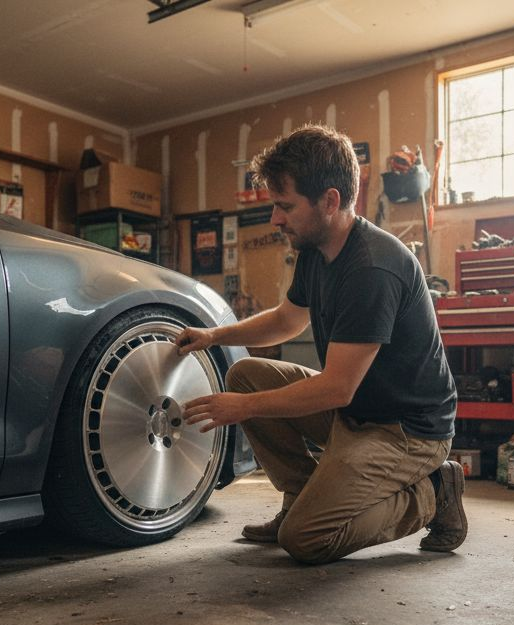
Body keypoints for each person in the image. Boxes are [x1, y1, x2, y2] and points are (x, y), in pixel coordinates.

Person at [175, 124, 466, 565]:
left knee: (307, 538)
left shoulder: (372, 269)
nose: (275, 219)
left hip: (406, 430)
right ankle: (299, 496)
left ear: (330, 201)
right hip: (357, 411)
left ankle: (433, 492)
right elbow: (285, 321)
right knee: (246, 375)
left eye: (285, 206)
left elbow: (336, 388)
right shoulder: (315, 251)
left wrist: (243, 408)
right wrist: (215, 335)